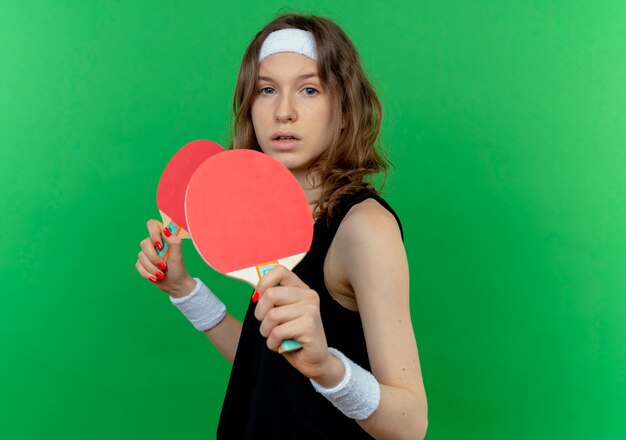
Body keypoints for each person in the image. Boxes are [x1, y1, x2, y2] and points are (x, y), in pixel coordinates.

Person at [136, 13, 427, 439]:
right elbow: (268, 367)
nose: (284, 112)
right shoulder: (268, 218)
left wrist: (327, 367)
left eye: (309, 90)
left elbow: (410, 424)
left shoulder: (364, 228)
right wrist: (185, 292)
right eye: (266, 90)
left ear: (344, 111)